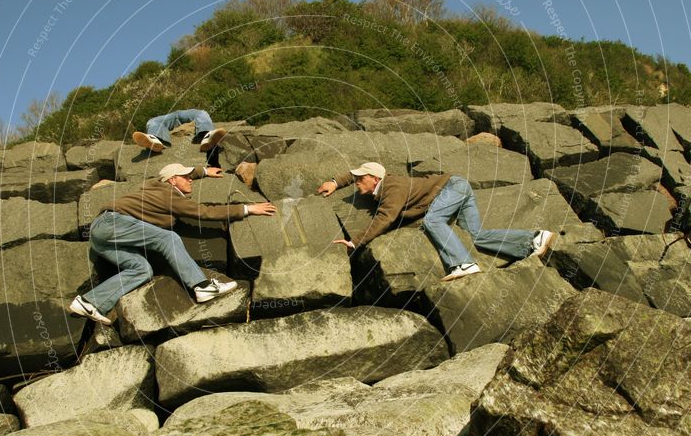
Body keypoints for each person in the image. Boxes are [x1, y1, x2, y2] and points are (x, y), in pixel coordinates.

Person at [70, 163, 276, 324]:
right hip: (113, 224)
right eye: (185, 177)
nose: (190, 180)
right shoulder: (168, 195)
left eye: (190, 176)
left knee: (141, 269)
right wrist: (247, 209)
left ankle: (89, 302)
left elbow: (176, 173)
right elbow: (205, 212)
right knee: (167, 238)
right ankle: (202, 286)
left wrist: (203, 171)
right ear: (173, 180)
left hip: (104, 234)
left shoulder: (158, 187)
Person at [317, 162, 555, 282]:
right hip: (457, 186)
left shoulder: (392, 188)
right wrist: (335, 183)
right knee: (477, 237)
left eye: (360, 181)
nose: (357, 184)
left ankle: (464, 265)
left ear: (373, 178)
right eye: (356, 180)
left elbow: (386, 218)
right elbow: (356, 172)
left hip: (452, 188)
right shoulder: (382, 182)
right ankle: (534, 239)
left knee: (432, 221)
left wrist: (354, 241)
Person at [132, 109, 227, 154]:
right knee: (152, 121)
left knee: (202, 113)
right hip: (172, 115)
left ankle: (206, 136)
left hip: (184, 113)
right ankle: (155, 140)